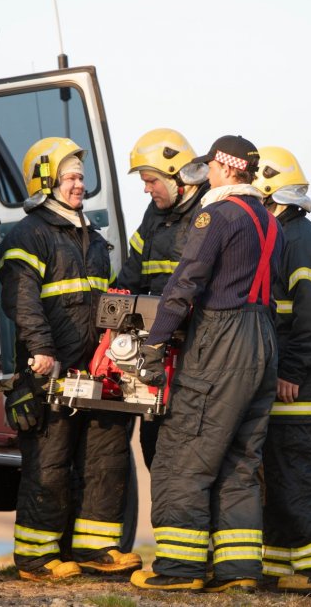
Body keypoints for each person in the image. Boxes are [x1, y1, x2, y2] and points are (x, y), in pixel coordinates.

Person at [129, 135, 283, 593]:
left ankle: (179, 569)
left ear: (225, 167)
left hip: (220, 340)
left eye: (211, 167)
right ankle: (238, 572)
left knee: (183, 454)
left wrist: (154, 346)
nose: (207, 175)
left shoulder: (215, 214)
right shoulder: (267, 220)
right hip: (262, 340)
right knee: (239, 460)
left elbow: (186, 281)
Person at [0, 137, 141, 581]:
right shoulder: (28, 234)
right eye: (71, 177)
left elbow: (111, 300)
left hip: (95, 369)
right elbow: (21, 299)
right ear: (45, 181)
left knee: (105, 456)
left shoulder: (94, 239)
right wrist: (41, 349)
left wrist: (119, 351)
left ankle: (95, 549)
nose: (80, 184)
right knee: (51, 461)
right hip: (50, 368)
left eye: (81, 176)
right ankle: (36, 558)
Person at [253, 146, 311, 593]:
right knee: (277, 473)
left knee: (293, 473)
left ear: (272, 195)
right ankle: (280, 565)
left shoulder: (301, 242)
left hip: (305, 388)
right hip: (291, 385)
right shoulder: (285, 237)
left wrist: (289, 371)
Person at [112, 127, 210, 470]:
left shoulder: (211, 213)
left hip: (196, 357)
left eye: (151, 179)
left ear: (178, 176)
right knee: (152, 446)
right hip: (154, 355)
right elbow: (131, 274)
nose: (146, 188)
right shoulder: (153, 215)